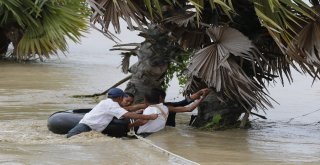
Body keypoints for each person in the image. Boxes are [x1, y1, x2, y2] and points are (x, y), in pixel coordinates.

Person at [66, 88, 158, 138]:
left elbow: (127, 111)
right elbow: (127, 114)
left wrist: (138, 110)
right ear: (119, 98)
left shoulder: (107, 102)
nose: (124, 100)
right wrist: (149, 116)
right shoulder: (112, 105)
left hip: (90, 127)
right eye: (123, 98)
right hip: (86, 127)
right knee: (71, 140)